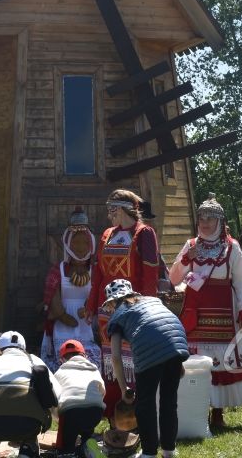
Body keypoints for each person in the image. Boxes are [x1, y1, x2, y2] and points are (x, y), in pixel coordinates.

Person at [169, 194, 242, 429]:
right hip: (195, 313)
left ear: (219, 222)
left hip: (223, 311)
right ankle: (196, 409)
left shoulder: (231, 247)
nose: (204, 223)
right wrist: (186, 259)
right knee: (195, 361)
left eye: (209, 219)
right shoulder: (191, 246)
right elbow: (174, 278)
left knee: (221, 362)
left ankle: (218, 412)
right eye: (201, 219)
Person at [83, 189, 160, 418]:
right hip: (108, 308)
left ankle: (136, 412)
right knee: (111, 358)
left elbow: (150, 274)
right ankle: (115, 413)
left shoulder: (144, 233)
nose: (109, 216)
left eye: (111, 210)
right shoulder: (107, 234)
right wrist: (91, 305)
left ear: (123, 209)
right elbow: (98, 273)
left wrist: (147, 306)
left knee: (134, 358)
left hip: (134, 306)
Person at [105, 279, 189, 458]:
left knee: (145, 404)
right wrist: (178, 361)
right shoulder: (153, 300)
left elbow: (115, 356)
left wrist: (123, 388)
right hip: (176, 343)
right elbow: (165, 328)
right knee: (169, 401)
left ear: (113, 302)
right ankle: (169, 450)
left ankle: (149, 452)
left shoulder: (118, 314)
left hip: (149, 348)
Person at [41, 207, 100, 371]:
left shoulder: (94, 271)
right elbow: (53, 296)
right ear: (68, 244)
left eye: (85, 243)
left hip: (86, 322)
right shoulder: (58, 270)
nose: (81, 247)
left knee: (89, 358)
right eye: (76, 243)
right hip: (63, 323)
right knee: (64, 358)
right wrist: (61, 314)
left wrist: (89, 307)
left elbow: (97, 293)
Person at [54, 339, 105, 458]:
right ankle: (88, 444)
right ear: (85, 356)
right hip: (95, 412)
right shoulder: (94, 369)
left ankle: (69, 451)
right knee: (87, 430)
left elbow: (54, 396)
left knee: (67, 445)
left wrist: (57, 417)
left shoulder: (61, 371)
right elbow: (103, 391)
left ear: (62, 359)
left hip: (71, 413)